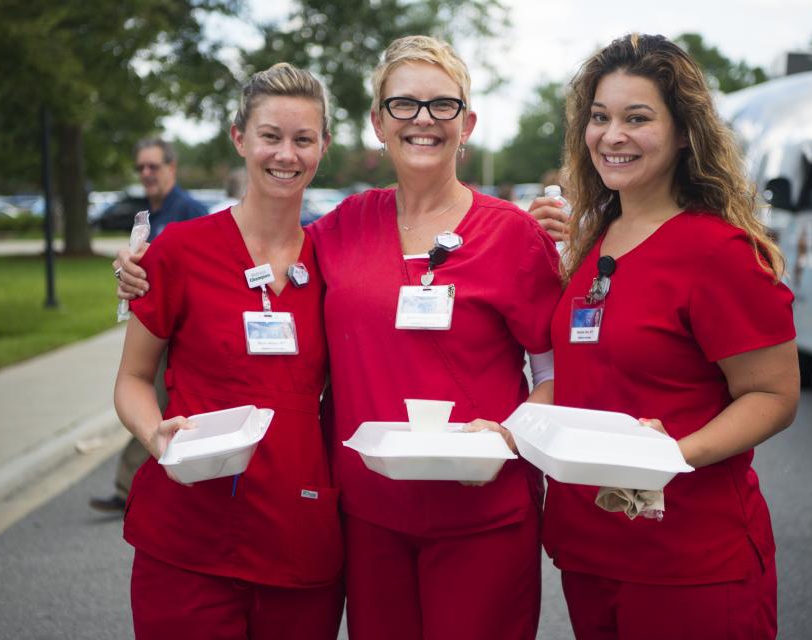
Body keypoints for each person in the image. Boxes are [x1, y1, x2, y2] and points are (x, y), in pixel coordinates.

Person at [117, 35, 561, 640]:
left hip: (481, 510)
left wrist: (510, 432)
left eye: (442, 105)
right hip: (369, 519)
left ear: (469, 122)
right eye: (403, 104)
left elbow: (555, 372)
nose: (423, 119)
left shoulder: (511, 234)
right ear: (378, 123)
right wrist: (139, 273)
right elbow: (246, 262)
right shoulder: (341, 231)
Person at [530, 33, 799, 639]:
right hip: (590, 551)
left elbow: (773, 397)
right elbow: (579, 378)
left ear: (684, 133)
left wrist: (670, 456)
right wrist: (513, 424)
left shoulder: (720, 252)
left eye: (637, 118)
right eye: (600, 117)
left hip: (689, 560)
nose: (612, 135)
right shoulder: (596, 243)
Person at [113, 63, 343, 638]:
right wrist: (153, 434)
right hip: (188, 532)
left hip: (298, 533)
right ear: (240, 138)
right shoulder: (179, 252)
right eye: (270, 136)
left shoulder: (336, 259)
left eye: (302, 139)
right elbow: (134, 380)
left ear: (323, 148)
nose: (285, 154)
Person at [89, 138, 208, 514]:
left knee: (157, 405)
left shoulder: (191, 211)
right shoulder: (147, 215)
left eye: (153, 166)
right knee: (151, 403)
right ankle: (137, 487)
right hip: (152, 330)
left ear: (172, 168)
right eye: (141, 167)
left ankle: (136, 488)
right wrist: (127, 272)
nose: (146, 174)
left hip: (184, 333)